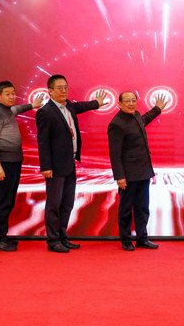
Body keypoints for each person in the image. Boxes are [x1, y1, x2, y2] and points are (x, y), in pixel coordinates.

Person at [36, 75, 106, 253]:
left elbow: (81, 106)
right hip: (55, 167)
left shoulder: (69, 106)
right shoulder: (45, 112)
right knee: (54, 204)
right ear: (50, 91)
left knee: (67, 203)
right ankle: (53, 241)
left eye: (66, 87)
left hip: (69, 163)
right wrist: (46, 166)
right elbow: (43, 142)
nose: (64, 91)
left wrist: (96, 103)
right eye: (59, 88)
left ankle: (62, 236)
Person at [0, 81, 43, 252]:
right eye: (7, 94)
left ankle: (2, 236)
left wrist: (32, 105)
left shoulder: (7, 110)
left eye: (13, 93)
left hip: (13, 162)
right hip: (3, 164)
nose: (12, 97)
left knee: (8, 201)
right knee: (2, 202)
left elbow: (18, 109)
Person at [107, 91, 166, 251]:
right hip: (128, 175)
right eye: (127, 101)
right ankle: (126, 240)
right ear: (119, 104)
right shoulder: (116, 124)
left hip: (143, 171)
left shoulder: (136, 115)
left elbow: (144, 119)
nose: (131, 103)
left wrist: (157, 108)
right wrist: (120, 176)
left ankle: (142, 238)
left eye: (133, 100)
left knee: (142, 207)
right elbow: (115, 154)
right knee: (126, 209)